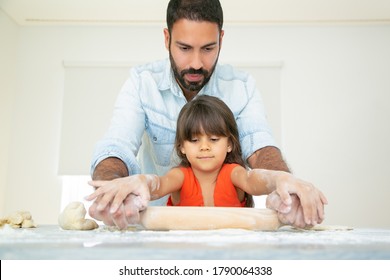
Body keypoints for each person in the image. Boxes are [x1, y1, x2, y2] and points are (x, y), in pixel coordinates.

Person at [88, 0, 326, 229]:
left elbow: (261, 148)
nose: (196, 63)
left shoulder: (241, 87)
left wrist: (283, 183)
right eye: (184, 48)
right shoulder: (142, 83)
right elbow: (117, 145)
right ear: (167, 38)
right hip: (161, 233)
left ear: (221, 39)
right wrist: (115, 190)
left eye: (208, 49)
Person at [87, 96, 327, 229]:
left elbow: (255, 180)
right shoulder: (181, 177)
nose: (204, 146)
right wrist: (139, 180)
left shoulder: (234, 174)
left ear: (230, 144)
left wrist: (281, 178)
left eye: (213, 139)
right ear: (182, 146)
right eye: (194, 140)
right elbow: (156, 184)